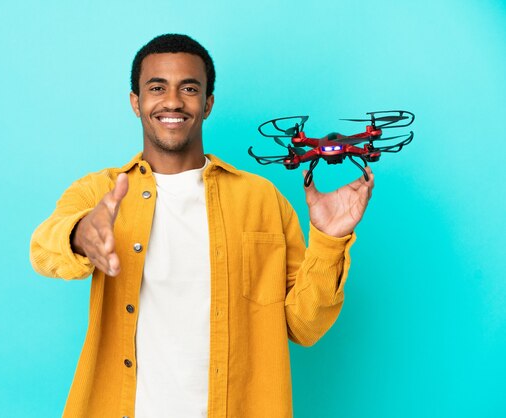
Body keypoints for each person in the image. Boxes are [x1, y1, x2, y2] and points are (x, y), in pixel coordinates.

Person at [30, 33, 374, 418]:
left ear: (208, 103)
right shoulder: (101, 191)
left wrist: (330, 238)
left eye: (189, 88)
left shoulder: (262, 200)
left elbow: (304, 325)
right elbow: (43, 250)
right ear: (136, 102)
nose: (173, 101)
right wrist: (80, 235)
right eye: (156, 87)